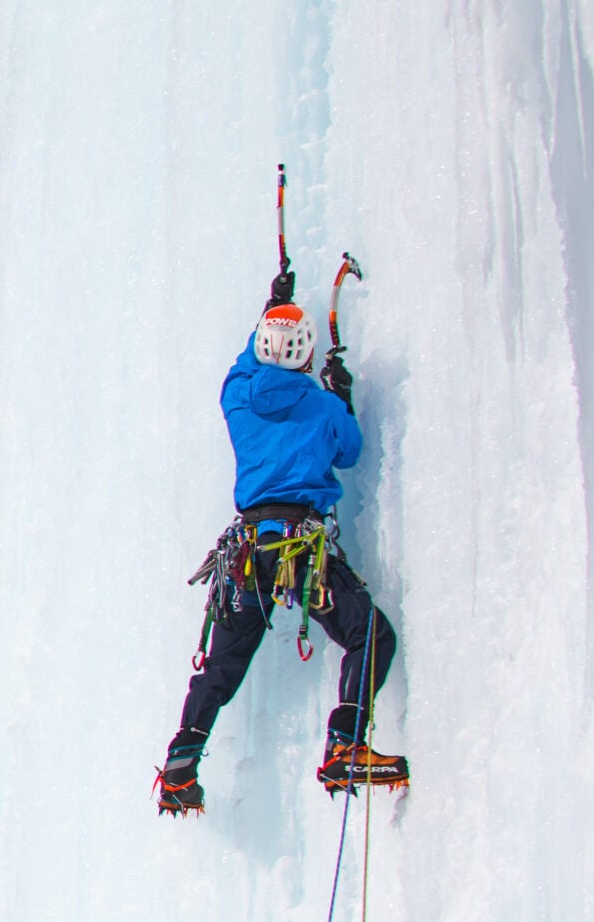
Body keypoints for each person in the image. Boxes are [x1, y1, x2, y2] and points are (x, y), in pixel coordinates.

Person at [157, 274, 407, 815]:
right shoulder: (320, 409)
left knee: (221, 665)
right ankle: (345, 742)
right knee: (369, 635)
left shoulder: (238, 398)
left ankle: (181, 764)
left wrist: (270, 310)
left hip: (248, 555)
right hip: (299, 552)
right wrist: (341, 394)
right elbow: (349, 452)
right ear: (308, 353)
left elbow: (248, 365)